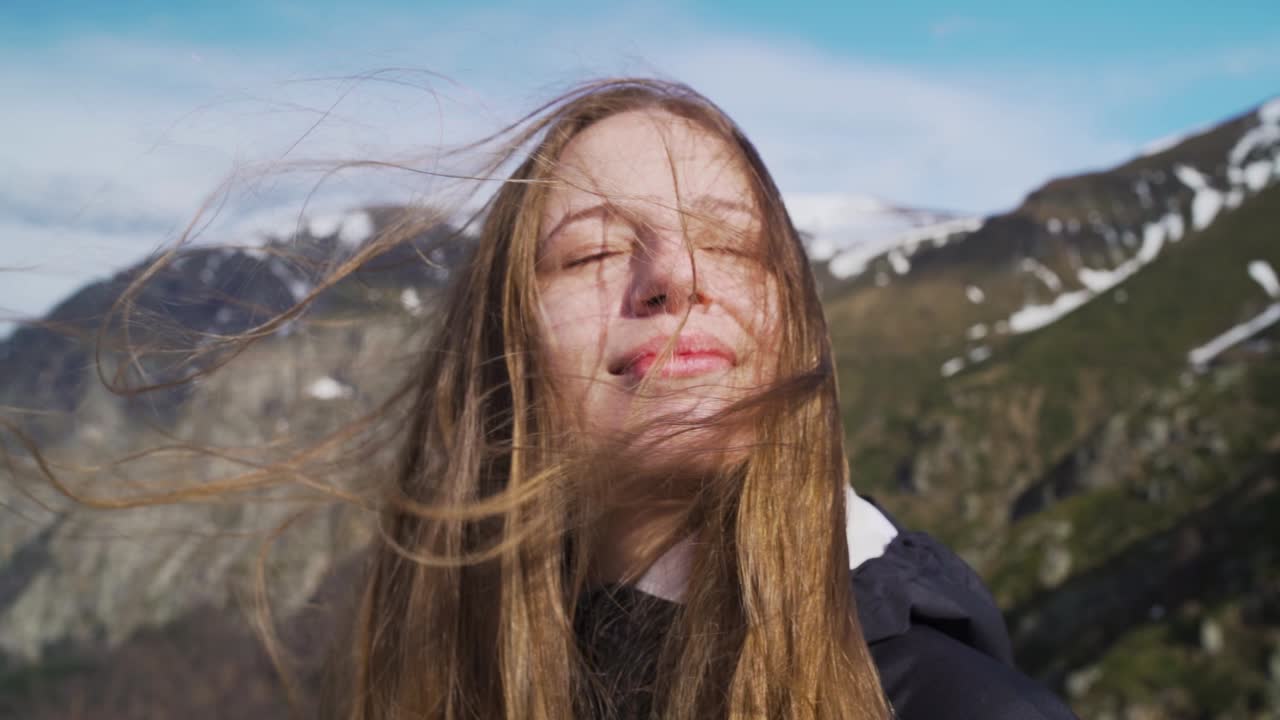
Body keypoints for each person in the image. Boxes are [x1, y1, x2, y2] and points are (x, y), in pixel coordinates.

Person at [327, 78, 1080, 720]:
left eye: (731, 244)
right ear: (504, 345)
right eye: (593, 251)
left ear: (796, 327)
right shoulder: (449, 672)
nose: (675, 275)